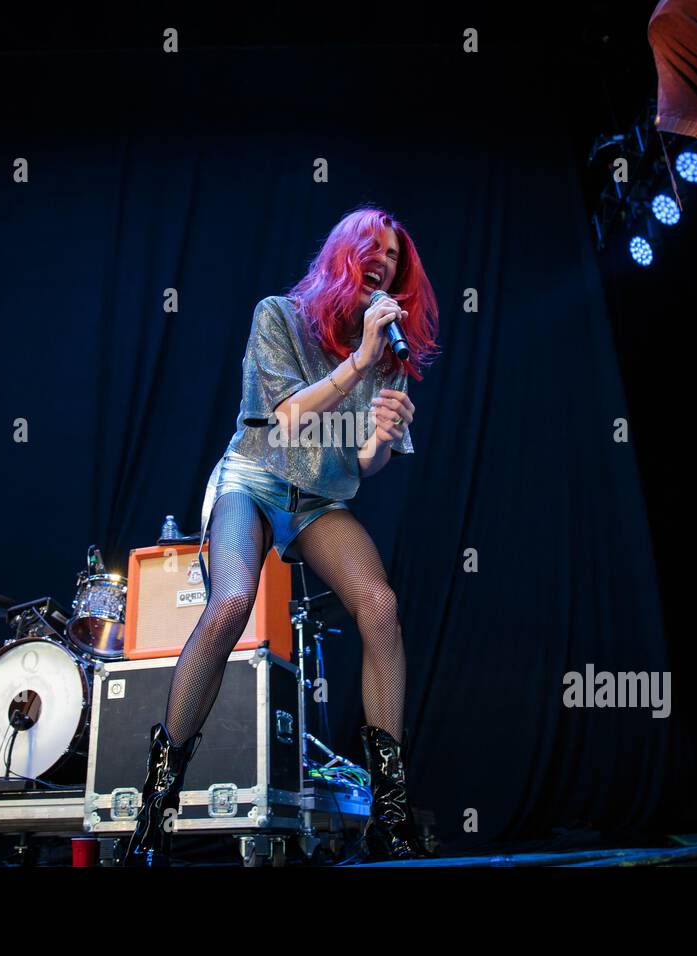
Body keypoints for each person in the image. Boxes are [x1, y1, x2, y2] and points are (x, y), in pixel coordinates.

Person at [122, 206, 440, 866]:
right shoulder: (280, 317)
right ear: (345, 252)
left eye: (394, 253)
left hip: (318, 498)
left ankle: (390, 807)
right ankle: (157, 802)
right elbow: (289, 418)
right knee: (232, 603)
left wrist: (380, 440)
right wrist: (358, 363)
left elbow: (359, 467)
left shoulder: (384, 356)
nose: (384, 257)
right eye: (372, 246)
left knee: (380, 607)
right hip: (253, 478)